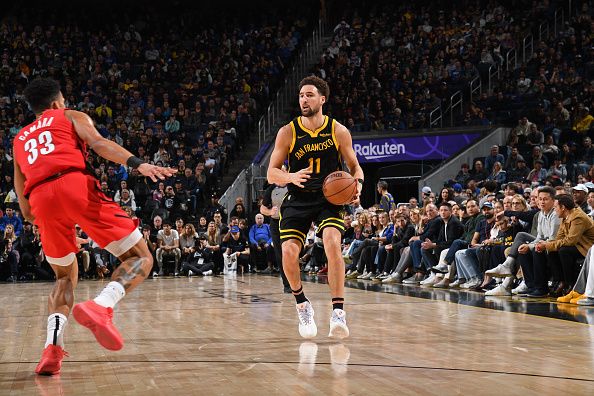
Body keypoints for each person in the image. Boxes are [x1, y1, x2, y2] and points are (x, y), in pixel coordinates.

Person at [13, 78, 175, 376]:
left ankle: (52, 349)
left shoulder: (20, 138)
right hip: (74, 184)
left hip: (40, 200)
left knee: (64, 276)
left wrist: (56, 219)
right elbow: (99, 144)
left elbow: (24, 207)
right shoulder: (69, 115)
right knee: (140, 256)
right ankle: (103, 305)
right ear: (56, 103)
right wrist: (137, 163)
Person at [267, 75, 363, 339]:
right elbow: (271, 173)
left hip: (328, 199)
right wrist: (290, 177)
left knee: (332, 241)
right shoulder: (288, 131)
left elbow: (355, 166)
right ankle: (302, 304)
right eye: (301, 95)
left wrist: (359, 185)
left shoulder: (338, 130)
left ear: (322, 99)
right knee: (288, 252)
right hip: (297, 198)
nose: (304, 99)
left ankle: (338, 311)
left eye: (309, 95)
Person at [260, 178, 291, 293]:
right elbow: (262, 208)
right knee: (280, 253)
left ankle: (295, 281)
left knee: (291, 252)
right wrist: (270, 212)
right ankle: (287, 285)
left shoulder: (292, 186)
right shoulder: (271, 189)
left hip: (291, 222)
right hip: (276, 223)